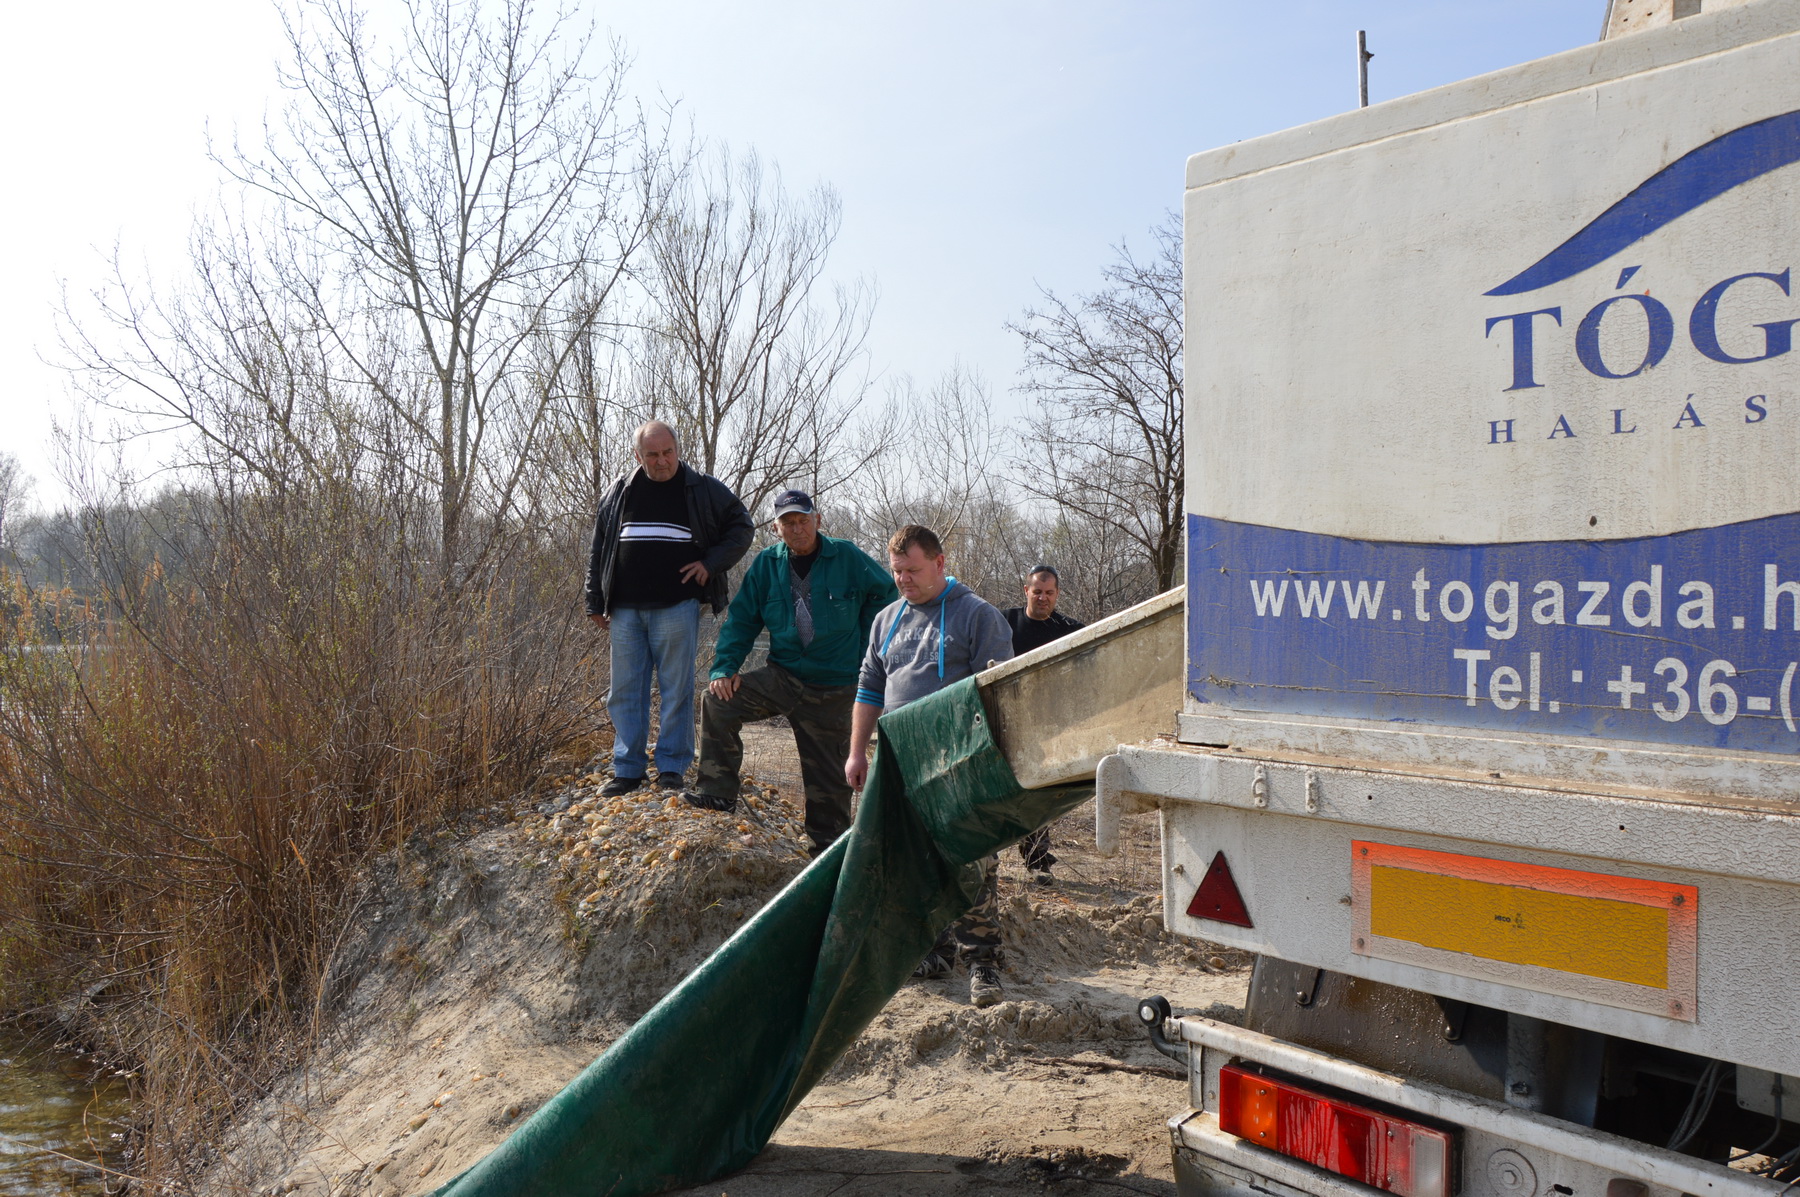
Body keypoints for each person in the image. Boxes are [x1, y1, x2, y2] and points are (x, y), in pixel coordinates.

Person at [846, 524, 1015, 1008]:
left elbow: (1000, 696)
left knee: (971, 859)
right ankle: (933, 953)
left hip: (961, 764)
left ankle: (983, 963)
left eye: (912, 570)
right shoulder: (886, 620)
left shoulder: (977, 615)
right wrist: (857, 752)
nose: (903, 579)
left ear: (940, 563)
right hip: (899, 761)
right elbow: (869, 689)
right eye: (897, 571)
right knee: (912, 861)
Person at [684, 489, 898, 856]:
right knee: (718, 701)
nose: (797, 529)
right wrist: (724, 667)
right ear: (775, 528)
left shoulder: (847, 556)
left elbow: (886, 597)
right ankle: (717, 794)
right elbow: (742, 620)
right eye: (788, 523)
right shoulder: (767, 565)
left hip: (834, 688)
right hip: (782, 676)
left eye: (803, 520)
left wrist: (864, 650)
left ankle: (825, 858)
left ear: (817, 520)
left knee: (829, 788)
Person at [586, 421, 753, 798]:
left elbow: (742, 527)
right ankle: (628, 770)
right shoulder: (619, 491)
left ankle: (672, 768)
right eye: (652, 454)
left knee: (676, 689)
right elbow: (599, 548)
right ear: (638, 455)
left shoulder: (703, 488)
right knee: (624, 691)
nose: (661, 461)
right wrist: (594, 599)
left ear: (677, 450)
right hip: (625, 609)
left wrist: (710, 563)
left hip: (678, 605)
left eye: (667, 452)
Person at [1001, 565, 1087, 886]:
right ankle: (985, 860)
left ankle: (1037, 859)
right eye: (1037, 591)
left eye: (1049, 593)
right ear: (1026, 591)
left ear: (1057, 594)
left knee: (1038, 792)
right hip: (1005, 720)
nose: (1043, 598)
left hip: (1049, 725)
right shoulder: (1003, 622)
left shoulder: (1069, 629)